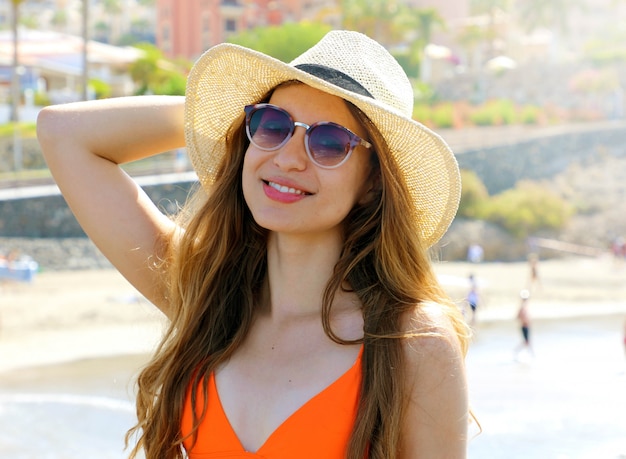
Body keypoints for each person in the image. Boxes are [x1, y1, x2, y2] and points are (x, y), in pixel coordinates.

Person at [37, 30, 471, 459]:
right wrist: (221, 115)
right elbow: (62, 133)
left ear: (374, 182)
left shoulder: (412, 341)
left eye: (328, 141)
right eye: (273, 126)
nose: (287, 158)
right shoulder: (207, 297)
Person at [515, 289, 534, 359]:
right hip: (524, 326)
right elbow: (517, 316)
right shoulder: (522, 307)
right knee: (526, 342)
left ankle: (530, 354)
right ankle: (517, 352)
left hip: (527, 326)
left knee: (527, 342)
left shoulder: (525, 306)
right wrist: (523, 319)